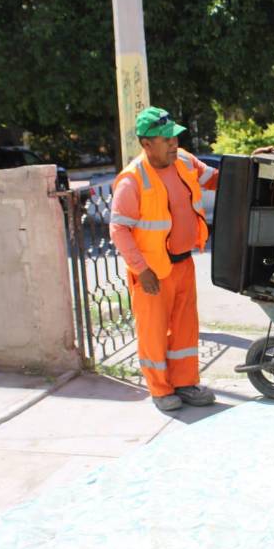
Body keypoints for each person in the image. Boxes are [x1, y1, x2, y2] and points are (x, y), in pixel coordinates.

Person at [109, 107, 220, 412]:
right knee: (154, 332)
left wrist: (254, 162)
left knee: (186, 328)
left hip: (183, 263)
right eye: (166, 139)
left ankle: (185, 384)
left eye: (174, 137)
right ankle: (160, 389)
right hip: (152, 272)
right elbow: (119, 229)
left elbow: (216, 179)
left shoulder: (183, 160)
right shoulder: (133, 179)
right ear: (147, 144)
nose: (173, 143)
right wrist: (140, 269)